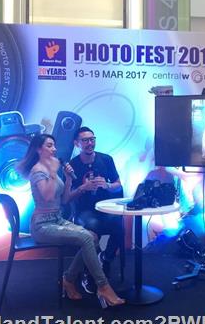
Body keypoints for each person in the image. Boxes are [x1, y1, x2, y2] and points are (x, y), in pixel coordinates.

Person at [16, 133, 124, 307]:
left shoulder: (49, 168)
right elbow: (47, 195)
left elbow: (65, 200)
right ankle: (103, 286)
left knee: (92, 237)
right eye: (49, 145)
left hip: (57, 219)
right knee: (87, 237)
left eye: (54, 145)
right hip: (42, 225)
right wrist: (53, 171)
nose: (54, 149)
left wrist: (67, 179)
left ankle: (68, 278)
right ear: (38, 149)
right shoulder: (38, 170)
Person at [68, 127, 124, 293]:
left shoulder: (106, 159)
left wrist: (107, 185)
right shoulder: (72, 165)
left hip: (106, 207)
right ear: (77, 143)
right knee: (93, 226)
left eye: (92, 139)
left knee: (119, 226)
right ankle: (89, 270)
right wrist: (83, 188)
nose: (90, 143)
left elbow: (118, 185)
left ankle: (105, 258)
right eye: (85, 140)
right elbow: (67, 197)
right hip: (84, 211)